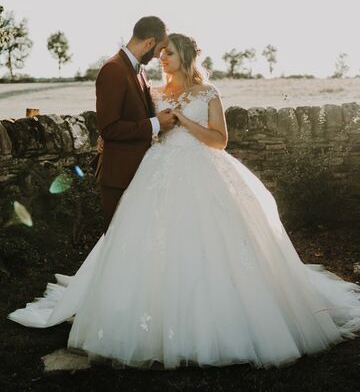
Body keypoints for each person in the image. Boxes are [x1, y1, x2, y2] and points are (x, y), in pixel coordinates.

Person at [7, 33, 360, 370]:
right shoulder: (154, 94)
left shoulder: (207, 92)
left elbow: (220, 141)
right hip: (156, 173)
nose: (162, 57)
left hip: (203, 169)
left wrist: (185, 122)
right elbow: (139, 128)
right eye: (161, 53)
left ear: (186, 57)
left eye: (169, 52)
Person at [92, 15, 176, 232]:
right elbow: (109, 128)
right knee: (117, 241)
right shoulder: (114, 69)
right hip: (119, 175)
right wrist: (156, 124)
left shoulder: (139, 70)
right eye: (159, 50)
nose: (159, 56)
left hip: (140, 171)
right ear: (149, 43)